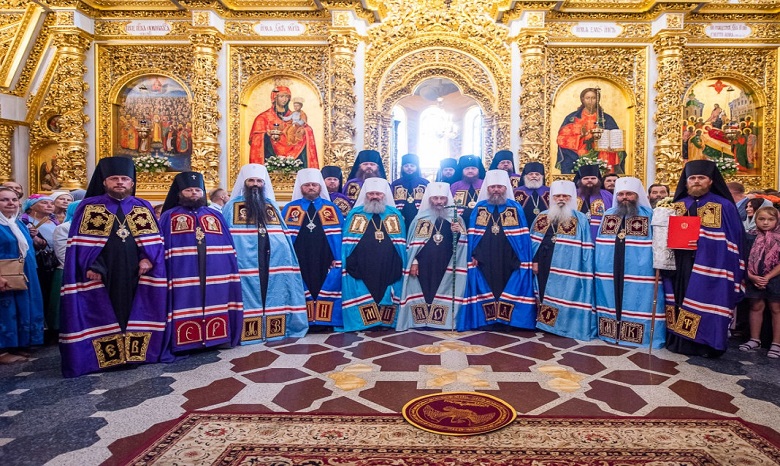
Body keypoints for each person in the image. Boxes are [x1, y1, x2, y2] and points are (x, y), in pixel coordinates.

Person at [60, 157, 169, 377]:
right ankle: (110, 357)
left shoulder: (142, 206)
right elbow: (83, 244)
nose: (120, 182)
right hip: (103, 273)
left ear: (131, 182)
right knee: (104, 310)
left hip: (135, 271)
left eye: (124, 179)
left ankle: (134, 354)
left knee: (134, 311)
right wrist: (93, 266)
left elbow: (153, 239)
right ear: (105, 182)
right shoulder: (90, 206)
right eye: (114, 179)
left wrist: (147, 258)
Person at [663, 159, 744, 357]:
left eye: (701, 178)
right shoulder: (678, 205)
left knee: (710, 301)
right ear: (686, 182)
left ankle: (706, 344)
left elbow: (735, 240)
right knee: (680, 300)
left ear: (710, 181)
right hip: (681, 264)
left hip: (713, 266)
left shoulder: (724, 205)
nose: (696, 181)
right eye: (692, 178)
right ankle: (680, 341)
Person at [223, 164, 308, 343]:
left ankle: (274, 328)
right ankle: (248, 331)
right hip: (245, 261)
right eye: (251, 180)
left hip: (272, 259)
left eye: (259, 181)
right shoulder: (232, 206)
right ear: (244, 183)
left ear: (264, 183)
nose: (255, 184)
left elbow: (281, 235)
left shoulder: (271, 206)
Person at [159, 172, 243, 353]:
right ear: (180, 193)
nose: (194, 194)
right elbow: (161, 247)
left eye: (197, 190)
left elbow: (227, 244)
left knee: (216, 297)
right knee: (185, 299)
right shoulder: (169, 216)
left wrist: (229, 267)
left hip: (215, 269)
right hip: (182, 271)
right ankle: (186, 342)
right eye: (189, 190)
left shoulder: (215, 215)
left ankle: (217, 338)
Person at [457, 170, 536, 331]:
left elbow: (521, 237)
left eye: (499, 187)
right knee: (487, 286)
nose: (496, 190)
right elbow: (474, 235)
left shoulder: (515, 208)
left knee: (508, 286)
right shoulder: (480, 207)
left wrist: (519, 257)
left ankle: (507, 321)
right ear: (488, 188)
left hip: (509, 257)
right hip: (485, 258)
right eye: (493, 187)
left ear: (505, 188)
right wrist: (474, 254)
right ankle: (488, 320)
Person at [594, 177, 665, 348]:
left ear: (637, 195)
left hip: (639, 269)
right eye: (621, 194)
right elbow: (601, 243)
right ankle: (611, 333)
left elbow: (658, 244)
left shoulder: (649, 215)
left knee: (638, 298)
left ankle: (637, 336)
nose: (625, 197)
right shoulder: (608, 214)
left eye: (629, 194)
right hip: (610, 267)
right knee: (611, 297)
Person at [397, 182, 467, 331]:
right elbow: (412, 244)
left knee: (442, 287)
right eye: (435, 198)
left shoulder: (457, 219)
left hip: (446, 263)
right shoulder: (420, 218)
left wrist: (458, 232)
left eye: (442, 198)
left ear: (447, 199)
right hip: (424, 263)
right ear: (429, 199)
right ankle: (421, 321)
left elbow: (463, 246)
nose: (439, 202)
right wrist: (414, 261)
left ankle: (441, 321)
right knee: (424, 288)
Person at [530, 180, 595, 340]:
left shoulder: (580, 219)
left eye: (565, 196)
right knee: (544, 290)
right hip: (545, 260)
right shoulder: (542, 216)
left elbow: (585, 247)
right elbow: (534, 242)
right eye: (557, 196)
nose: (561, 199)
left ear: (571, 198)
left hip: (568, 265)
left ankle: (560, 325)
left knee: (563, 293)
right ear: (552, 198)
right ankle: (545, 323)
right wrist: (535, 261)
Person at [341, 178, 406, 332]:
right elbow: (348, 243)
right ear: (365, 195)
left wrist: (399, 262)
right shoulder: (355, 214)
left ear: (384, 195)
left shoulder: (394, 214)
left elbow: (400, 243)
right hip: (362, 263)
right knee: (363, 287)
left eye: (378, 193)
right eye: (371, 194)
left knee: (386, 286)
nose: (375, 196)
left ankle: (385, 322)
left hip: (388, 263)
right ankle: (365, 322)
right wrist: (350, 261)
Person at [282, 169, 344, 329]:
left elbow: (339, 237)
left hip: (325, 259)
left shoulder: (331, 208)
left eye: (314, 185)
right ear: (301, 187)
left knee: (324, 285)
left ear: (320, 187)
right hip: (299, 258)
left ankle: (325, 322)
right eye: (307, 185)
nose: (311, 188)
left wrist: (336, 257)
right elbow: (283, 239)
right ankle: (305, 321)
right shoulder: (290, 209)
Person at [0, 186, 44, 364]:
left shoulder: (16, 223)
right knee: (4, 311)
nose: (10, 203)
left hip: (23, 272)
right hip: (5, 273)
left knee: (20, 308)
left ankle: (15, 345)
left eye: (13, 199)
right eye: (4, 200)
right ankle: (2, 352)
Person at [740, 206, 780, 358]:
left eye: (770, 219)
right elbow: (743, 258)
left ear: (777, 220)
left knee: (776, 308)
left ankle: (776, 343)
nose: (765, 223)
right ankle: (754, 339)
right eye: (761, 219)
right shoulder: (750, 236)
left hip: (775, 277)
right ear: (755, 220)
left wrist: (768, 277)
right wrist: (751, 276)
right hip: (753, 277)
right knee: (756, 306)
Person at [556, 88, 624, 174]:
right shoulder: (572, 118)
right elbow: (561, 139)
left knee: (610, 155)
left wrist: (613, 147)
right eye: (587, 98)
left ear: (597, 100)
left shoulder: (607, 119)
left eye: (593, 98)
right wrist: (580, 135)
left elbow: (616, 139)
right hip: (578, 156)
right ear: (582, 99)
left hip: (602, 155)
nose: (590, 101)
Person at [248, 85, 319, 168]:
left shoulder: (295, 115)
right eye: (281, 96)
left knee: (307, 130)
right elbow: (256, 138)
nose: (284, 99)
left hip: (294, 155)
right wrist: (267, 134)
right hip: (270, 154)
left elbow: (304, 125)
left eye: (287, 97)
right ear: (275, 97)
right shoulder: (263, 117)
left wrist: (304, 130)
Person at [574, 164, 613, 240]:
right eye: (586, 178)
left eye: (593, 178)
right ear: (580, 181)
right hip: (577, 234)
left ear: (598, 180)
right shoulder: (573, 194)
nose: (589, 180)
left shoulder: (607, 195)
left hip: (599, 235)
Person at [391, 153, 429, 227]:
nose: (409, 168)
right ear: (402, 168)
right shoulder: (396, 184)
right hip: (401, 216)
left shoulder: (424, 183)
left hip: (420, 216)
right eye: (406, 166)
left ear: (417, 167)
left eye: (412, 166)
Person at [450, 155, 485, 225]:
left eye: (473, 168)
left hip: (482, 221)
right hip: (460, 223)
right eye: (467, 168)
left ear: (478, 170)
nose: (470, 171)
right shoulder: (455, 186)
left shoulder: (484, 184)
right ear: (462, 171)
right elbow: (450, 207)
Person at [513, 162, 550, 227]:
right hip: (524, 226)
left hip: (545, 227)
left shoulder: (548, 191)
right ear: (525, 176)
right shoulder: (517, 192)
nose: (534, 176)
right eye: (531, 174)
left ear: (542, 177)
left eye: (537, 174)